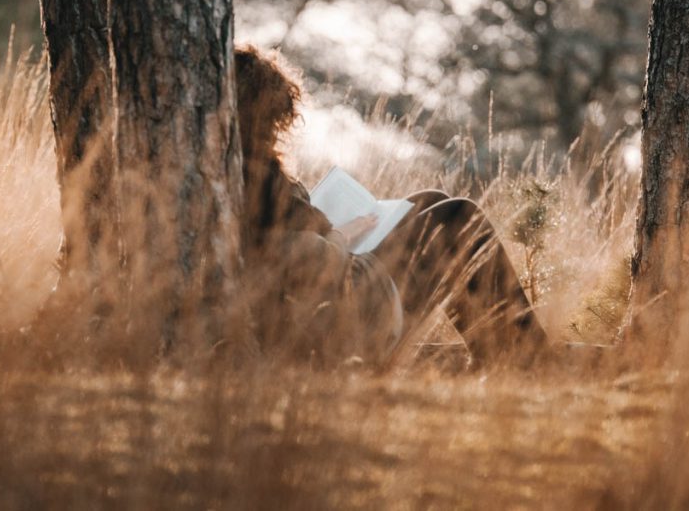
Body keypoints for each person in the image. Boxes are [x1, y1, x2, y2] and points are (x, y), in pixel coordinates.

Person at [235, 44, 548, 367]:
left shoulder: (242, 169)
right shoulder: (255, 177)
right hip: (344, 315)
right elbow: (291, 257)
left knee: (430, 201)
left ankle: (504, 348)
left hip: (337, 291)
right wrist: (343, 234)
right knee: (457, 216)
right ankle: (527, 353)